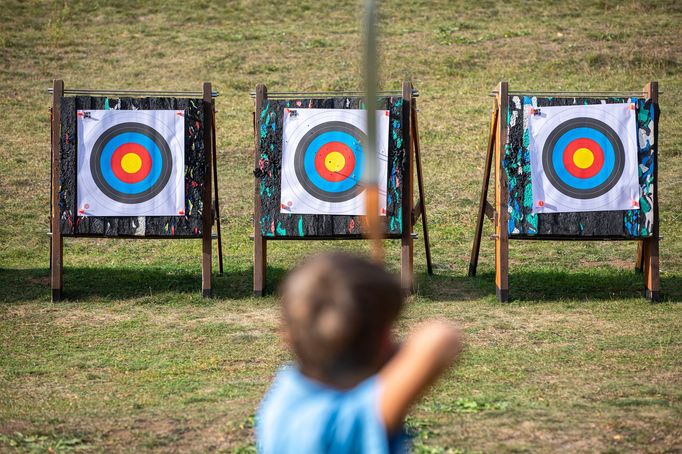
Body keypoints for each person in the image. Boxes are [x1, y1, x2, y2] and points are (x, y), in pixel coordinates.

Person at [256, 252, 464, 453]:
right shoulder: (345, 422)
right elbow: (441, 338)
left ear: (289, 335)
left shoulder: (285, 396)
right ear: (383, 340)